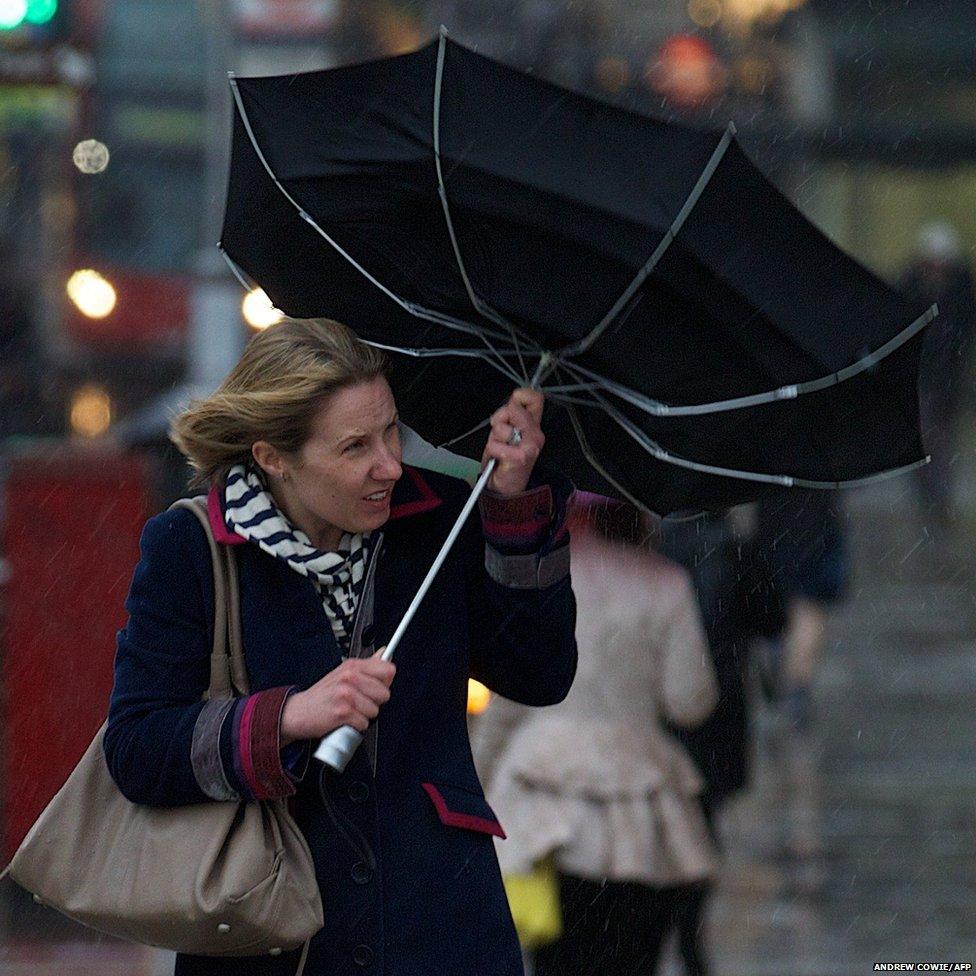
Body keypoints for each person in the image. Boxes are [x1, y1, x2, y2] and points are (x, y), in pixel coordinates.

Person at [103, 318, 577, 976]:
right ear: (273, 456)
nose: (389, 464)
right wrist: (288, 717)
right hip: (266, 938)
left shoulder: (441, 519)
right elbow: (135, 748)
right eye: (355, 447)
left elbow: (540, 671)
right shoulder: (191, 549)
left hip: (439, 928)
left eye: (391, 432)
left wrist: (512, 506)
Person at [473, 495, 719, 976]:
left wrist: (479, 778)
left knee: (554, 958)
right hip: (640, 801)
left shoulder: (540, 579)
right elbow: (689, 702)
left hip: (541, 799)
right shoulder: (664, 582)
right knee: (633, 957)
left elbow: (509, 698)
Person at [897, 221, 976, 529]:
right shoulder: (913, 288)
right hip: (922, 378)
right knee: (927, 440)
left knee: (940, 441)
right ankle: (931, 497)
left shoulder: (960, 292)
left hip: (948, 380)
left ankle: (937, 498)